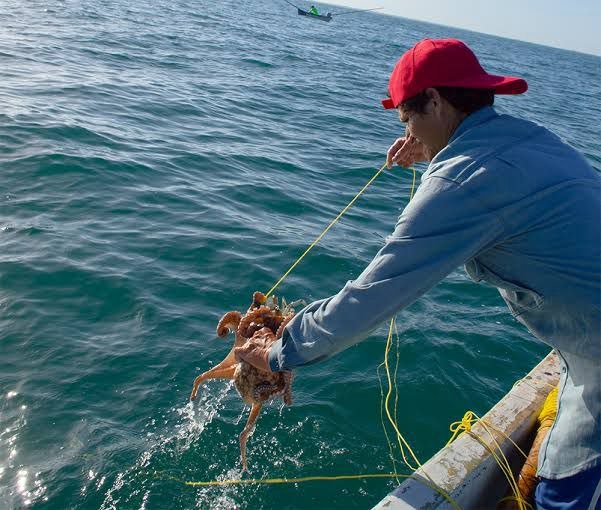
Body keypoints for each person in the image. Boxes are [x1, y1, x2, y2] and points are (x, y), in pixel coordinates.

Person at [235, 38, 601, 508]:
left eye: (408, 119)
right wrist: (432, 145)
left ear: (434, 100)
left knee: (563, 496)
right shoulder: (530, 139)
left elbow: (374, 296)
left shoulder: (461, 179)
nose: (407, 133)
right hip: (585, 347)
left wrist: (280, 352)